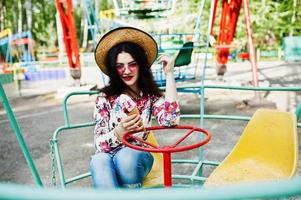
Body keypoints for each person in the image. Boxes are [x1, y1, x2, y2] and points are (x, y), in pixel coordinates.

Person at [90, 26, 180, 189]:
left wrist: (169, 74)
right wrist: (119, 132)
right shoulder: (105, 98)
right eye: (120, 66)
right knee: (98, 160)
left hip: (137, 157)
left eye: (132, 64)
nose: (126, 71)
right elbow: (99, 144)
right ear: (113, 69)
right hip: (108, 155)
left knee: (125, 158)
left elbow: (171, 119)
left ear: (141, 66)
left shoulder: (150, 97)